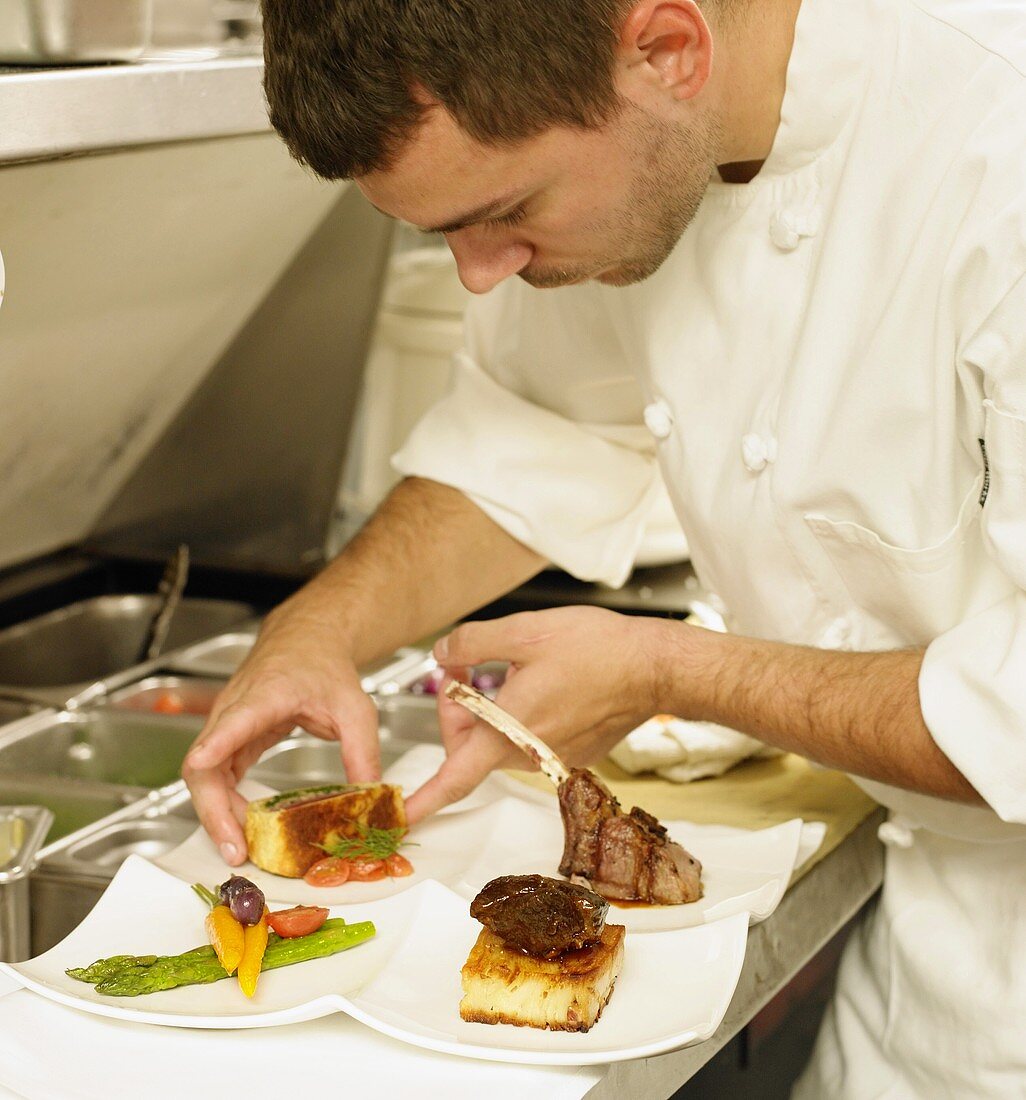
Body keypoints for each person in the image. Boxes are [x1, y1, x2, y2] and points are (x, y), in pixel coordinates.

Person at [182, 0, 1026, 1095]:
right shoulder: (618, 133)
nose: (481, 274)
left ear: (669, 50)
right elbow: (542, 430)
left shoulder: (995, 140)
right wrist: (313, 629)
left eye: (507, 210)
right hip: (930, 972)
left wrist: (671, 669)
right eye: (445, 234)